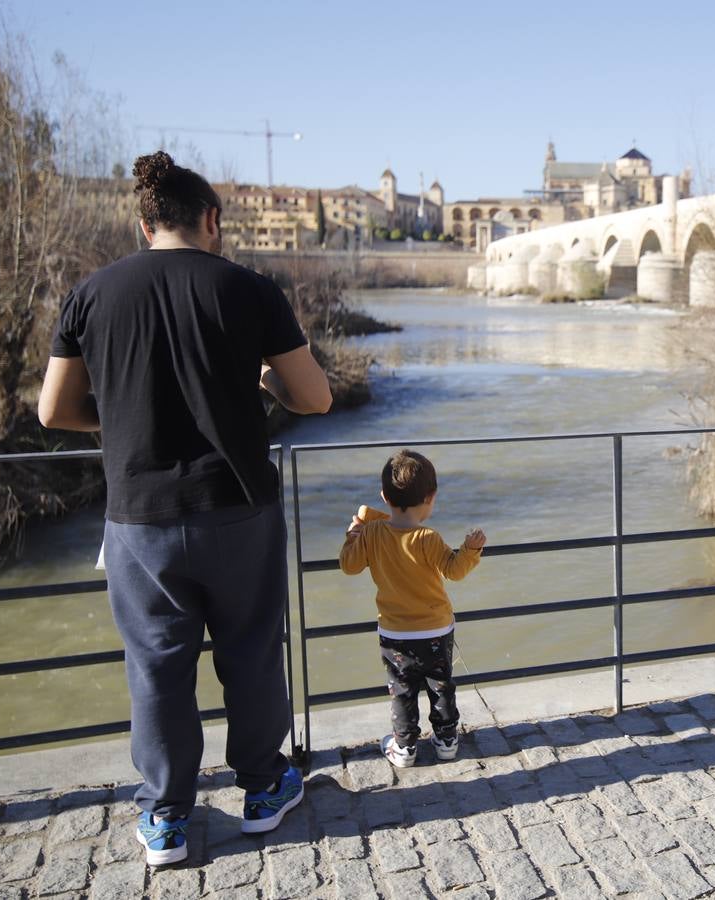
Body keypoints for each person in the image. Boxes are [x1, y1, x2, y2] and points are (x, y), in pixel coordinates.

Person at [38, 150, 332, 866]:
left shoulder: (91, 294)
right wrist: (264, 381)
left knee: (158, 667)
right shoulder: (249, 290)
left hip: (139, 519)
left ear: (145, 224)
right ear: (212, 221)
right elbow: (316, 397)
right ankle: (264, 791)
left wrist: (122, 421)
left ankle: (166, 818)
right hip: (237, 508)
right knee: (251, 654)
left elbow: (54, 411)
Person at [339, 448, 485, 767]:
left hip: (394, 631)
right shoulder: (428, 538)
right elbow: (455, 570)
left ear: (383, 496)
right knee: (440, 684)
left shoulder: (373, 533)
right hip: (436, 628)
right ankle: (447, 740)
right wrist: (472, 550)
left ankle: (405, 747)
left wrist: (353, 535)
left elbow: (349, 566)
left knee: (402, 690)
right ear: (430, 498)